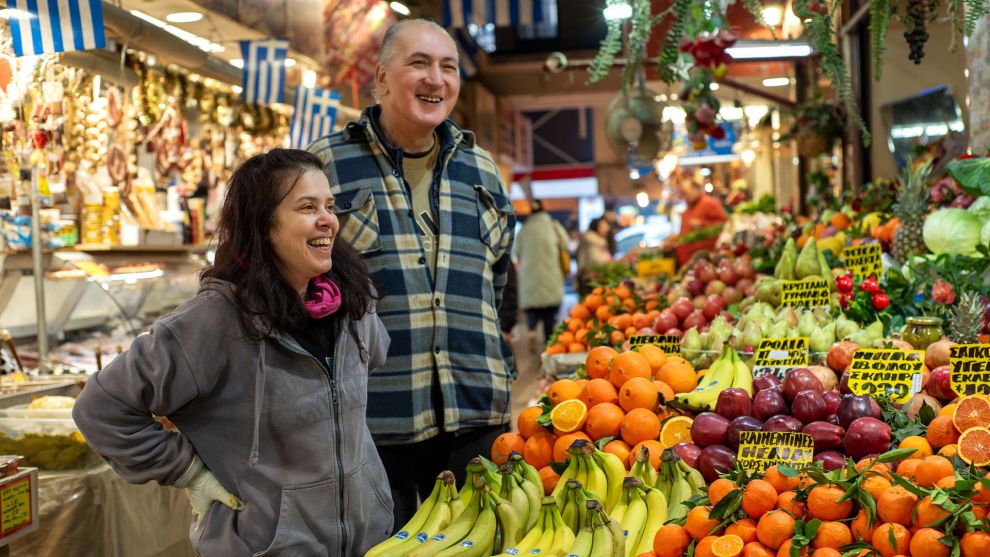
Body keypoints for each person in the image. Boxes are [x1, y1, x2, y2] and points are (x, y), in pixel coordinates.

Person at [72, 149, 393, 556]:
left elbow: (374, 357)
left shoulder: (350, 302)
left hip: (368, 542)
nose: (328, 219)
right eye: (307, 207)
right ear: (263, 224)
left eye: (329, 206)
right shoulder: (215, 320)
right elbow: (100, 407)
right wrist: (191, 473)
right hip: (263, 546)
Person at [308, 18, 515, 528]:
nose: (436, 79)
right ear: (381, 78)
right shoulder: (326, 165)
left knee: (480, 542)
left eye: (448, 67)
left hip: (476, 411)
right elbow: (298, 286)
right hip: (378, 416)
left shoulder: (480, 167)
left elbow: (499, 280)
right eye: (419, 63)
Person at [514, 199, 568, 350]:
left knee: (532, 311)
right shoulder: (553, 226)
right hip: (551, 277)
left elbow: (516, 252)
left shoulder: (524, 230)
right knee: (550, 314)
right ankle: (548, 343)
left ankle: (531, 332)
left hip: (530, 278)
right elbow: (566, 244)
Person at [673, 178, 729, 264]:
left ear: (695, 190)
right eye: (683, 194)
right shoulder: (687, 209)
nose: (684, 197)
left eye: (686, 193)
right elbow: (685, 234)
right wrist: (675, 239)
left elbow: (726, 224)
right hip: (689, 260)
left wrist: (702, 224)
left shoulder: (709, 203)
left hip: (707, 258)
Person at [576, 217, 612, 297]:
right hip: (591, 280)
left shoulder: (600, 241)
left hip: (595, 279)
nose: (606, 228)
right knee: (591, 302)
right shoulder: (592, 242)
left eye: (606, 226)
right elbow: (598, 262)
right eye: (603, 226)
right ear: (596, 227)